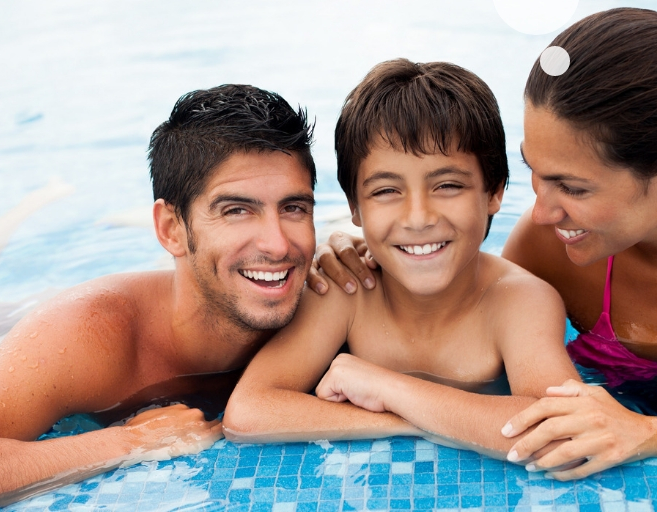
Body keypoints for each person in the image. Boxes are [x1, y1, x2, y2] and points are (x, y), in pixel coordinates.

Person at [310, 8, 657, 479]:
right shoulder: (548, 248)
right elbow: (468, 324)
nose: (540, 211)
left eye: (572, 186)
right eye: (533, 173)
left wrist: (655, 433)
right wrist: (354, 251)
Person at [0, 84, 319, 507]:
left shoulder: (324, 289)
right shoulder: (87, 336)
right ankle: (29, 206)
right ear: (170, 229)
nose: (279, 244)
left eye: (294, 208)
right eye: (236, 210)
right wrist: (128, 442)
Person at [223, 59, 579, 458]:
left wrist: (387, 388)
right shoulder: (344, 289)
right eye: (386, 191)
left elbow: (562, 432)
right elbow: (247, 412)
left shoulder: (519, 301)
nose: (418, 218)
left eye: (447, 185)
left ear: (494, 191)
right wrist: (413, 420)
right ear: (355, 208)